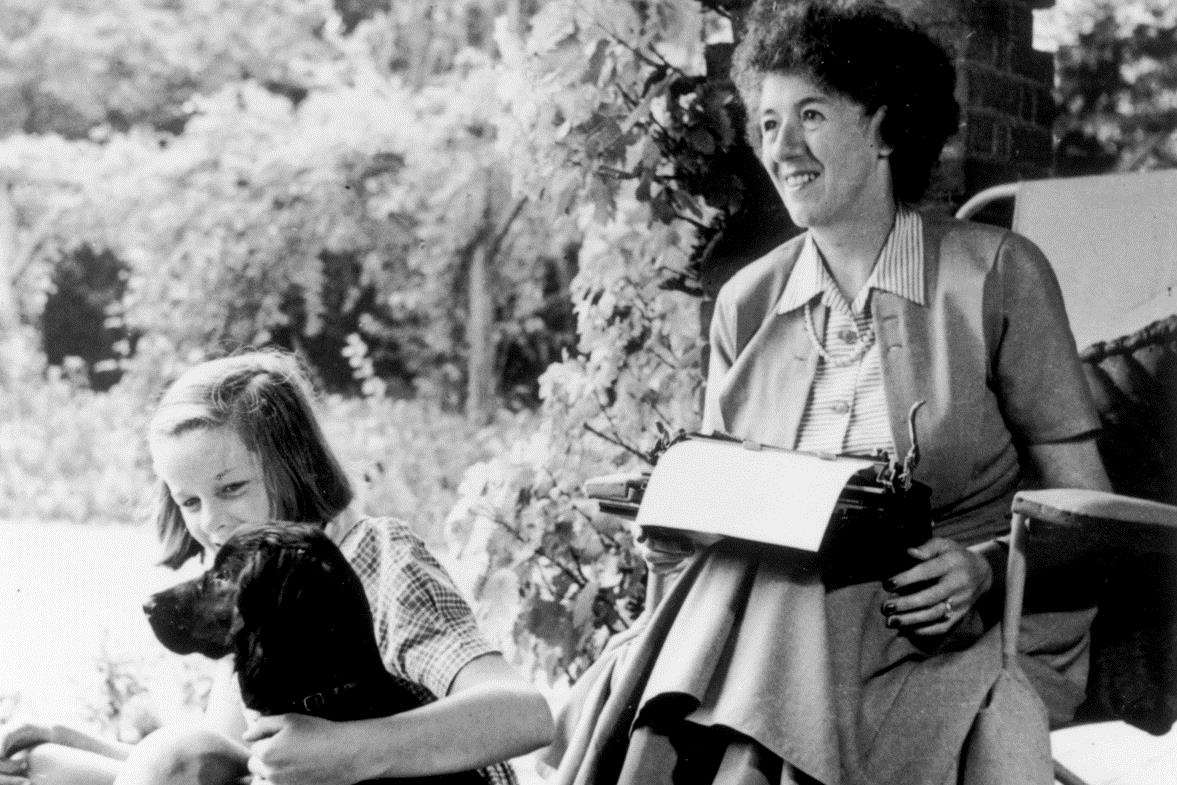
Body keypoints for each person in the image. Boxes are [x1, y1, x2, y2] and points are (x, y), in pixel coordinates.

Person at [544, 2, 1111, 784]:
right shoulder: (745, 303)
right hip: (775, 616)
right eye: (767, 122)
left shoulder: (997, 272)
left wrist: (981, 567)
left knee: (768, 610)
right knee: (773, 580)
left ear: (884, 127)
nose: (781, 147)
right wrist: (672, 529)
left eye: (809, 114)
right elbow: (719, 503)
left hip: (946, 620)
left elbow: (1088, 507)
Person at [0, 350, 554, 785]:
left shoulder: (375, 558)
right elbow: (226, 766)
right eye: (189, 502)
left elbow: (525, 715)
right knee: (42, 769)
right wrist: (65, 741)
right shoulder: (256, 586)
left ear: (293, 466)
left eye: (232, 488)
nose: (212, 522)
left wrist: (352, 750)